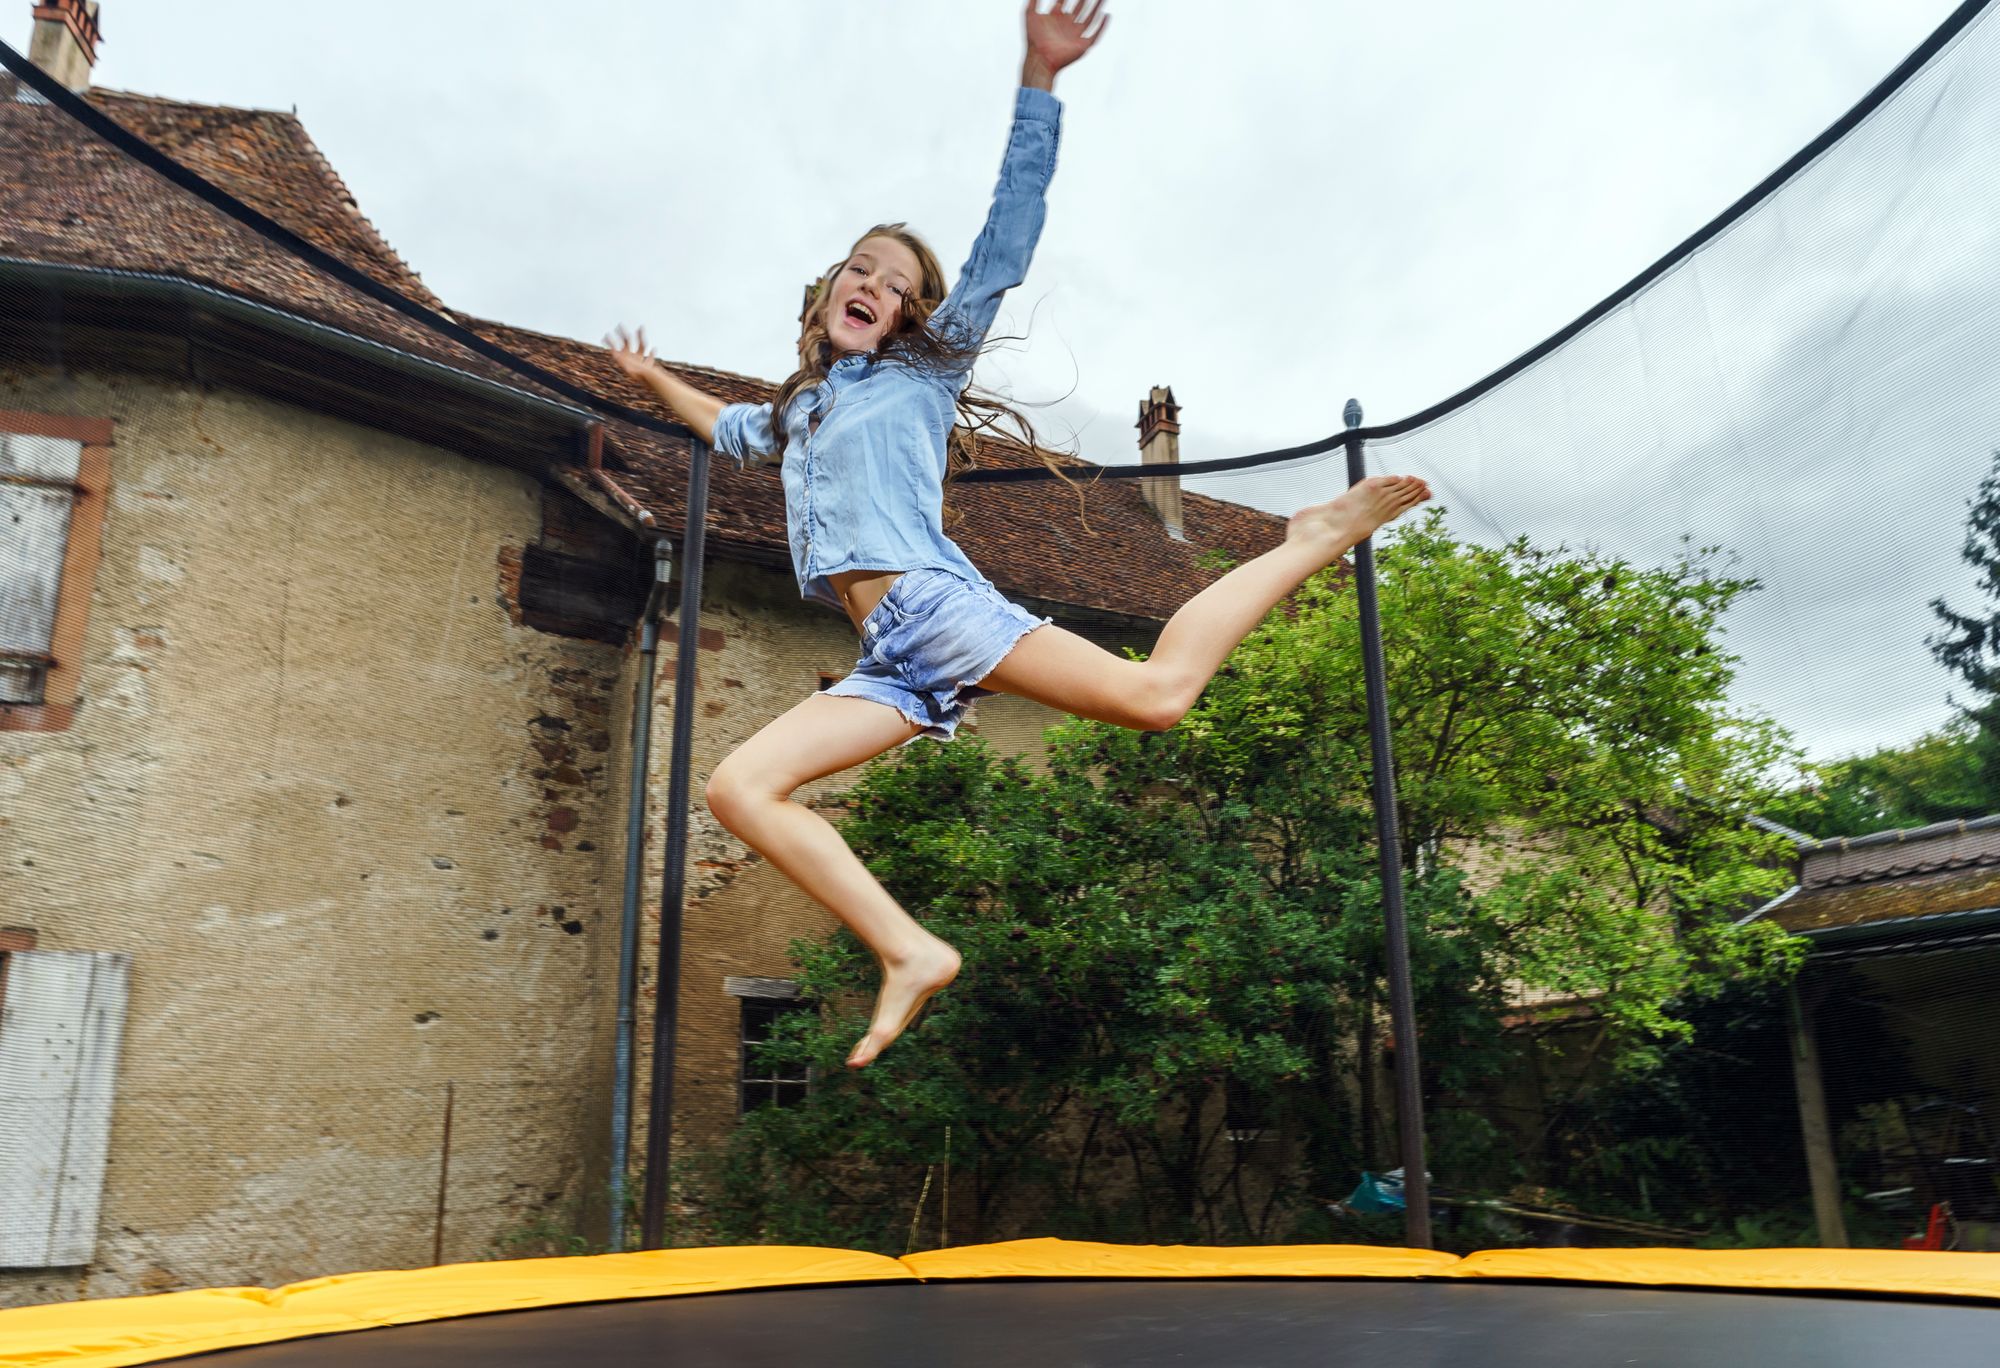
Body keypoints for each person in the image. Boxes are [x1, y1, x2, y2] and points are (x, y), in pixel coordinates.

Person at [608, 0, 1431, 1068]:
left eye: (897, 285)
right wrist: (645, 375)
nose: (875, 285)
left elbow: (1006, 237)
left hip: (931, 610)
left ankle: (1303, 539)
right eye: (860, 268)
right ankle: (908, 950)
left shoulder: (918, 373)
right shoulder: (803, 409)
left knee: (1157, 698)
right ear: (824, 297)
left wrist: (1037, 80)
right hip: (890, 664)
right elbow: (729, 428)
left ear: (914, 319)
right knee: (737, 788)